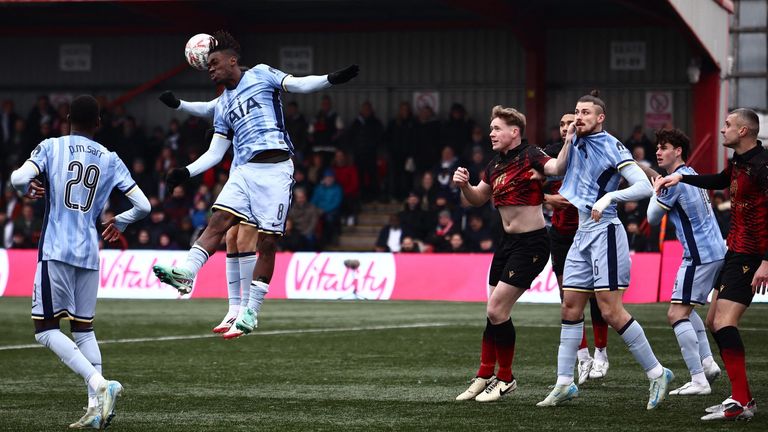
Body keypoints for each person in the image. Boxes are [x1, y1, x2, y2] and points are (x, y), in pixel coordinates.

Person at [152, 30, 358, 336]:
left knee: (267, 243)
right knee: (219, 222)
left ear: (232, 60)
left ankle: (251, 311)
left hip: (275, 171)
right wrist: (187, 171)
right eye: (207, 64)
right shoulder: (223, 104)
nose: (210, 68)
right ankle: (187, 273)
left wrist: (331, 79)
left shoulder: (261, 74)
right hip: (245, 171)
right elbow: (216, 151)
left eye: (214, 62)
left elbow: (298, 84)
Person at [10, 95, 150, 429]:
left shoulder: (51, 147)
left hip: (56, 249)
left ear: (67, 118)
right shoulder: (110, 157)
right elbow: (143, 206)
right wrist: (122, 222)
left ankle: (100, 384)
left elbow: (18, 178)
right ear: (98, 124)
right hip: (89, 251)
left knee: (45, 330)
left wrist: (26, 190)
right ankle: (96, 409)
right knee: (84, 330)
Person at [537, 90, 673, 410]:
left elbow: (641, 186)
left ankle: (657, 372)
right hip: (581, 234)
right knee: (570, 307)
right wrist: (569, 139)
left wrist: (610, 197)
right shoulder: (574, 142)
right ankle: (564, 383)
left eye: (585, 112)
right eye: (576, 111)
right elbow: (554, 170)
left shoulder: (612, 145)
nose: (578, 117)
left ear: (600, 118)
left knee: (610, 310)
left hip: (606, 231)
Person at [655, 108, 767, 421]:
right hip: (734, 250)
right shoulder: (740, 162)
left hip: (752, 255)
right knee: (712, 321)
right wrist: (682, 177)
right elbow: (720, 179)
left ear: (744, 131)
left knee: (724, 323)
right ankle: (741, 398)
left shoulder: (763, 164)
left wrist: (766, 262)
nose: (722, 130)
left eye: (728, 125)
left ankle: (741, 401)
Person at [452, 105, 550, 402]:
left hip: (531, 244)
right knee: (493, 312)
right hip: (507, 243)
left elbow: (557, 167)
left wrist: (570, 139)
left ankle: (506, 378)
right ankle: (484, 374)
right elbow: (477, 199)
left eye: (496, 128)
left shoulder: (533, 155)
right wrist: (464, 185)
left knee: (496, 310)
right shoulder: (494, 165)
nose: (491, 133)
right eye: (492, 128)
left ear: (514, 132)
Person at [646, 128, 724, 397]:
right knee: (687, 311)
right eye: (657, 146)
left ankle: (698, 379)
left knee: (676, 313)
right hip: (714, 250)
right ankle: (707, 364)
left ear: (678, 151)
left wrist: (655, 188)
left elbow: (653, 218)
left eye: (664, 146)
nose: (658, 151)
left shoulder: (673, 181)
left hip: (699, 254)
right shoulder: (691, 174)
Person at [543, 113, 609, 385]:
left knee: (596, 297)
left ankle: (602, 353)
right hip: (560, 235)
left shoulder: (591, 151)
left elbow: (587, 196)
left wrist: (558, 199)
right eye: (559, 124)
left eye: (568, 123)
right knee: (568, 297)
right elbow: (530, 184)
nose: (564, 128)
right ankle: (583, 357)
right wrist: (546, 198)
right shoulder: (550, 155)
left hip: (590, 232)